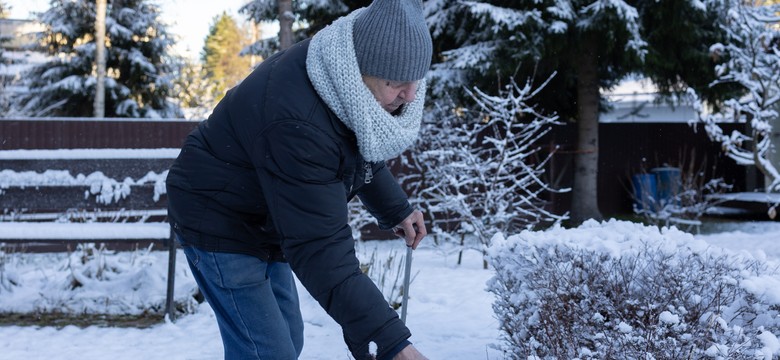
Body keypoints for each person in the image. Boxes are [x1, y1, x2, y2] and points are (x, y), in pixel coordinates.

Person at [165, 0, 432, 359]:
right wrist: (392, 343)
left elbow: (355, 149)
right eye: (396, 83)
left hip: (263, 212)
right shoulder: (299, 122)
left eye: (415, 81)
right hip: (217, 215)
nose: (410, 95)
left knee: (288, 340)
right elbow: (321, 250)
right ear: (361, 70)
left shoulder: (342, 79)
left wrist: (395, 208)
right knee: (269, 353)